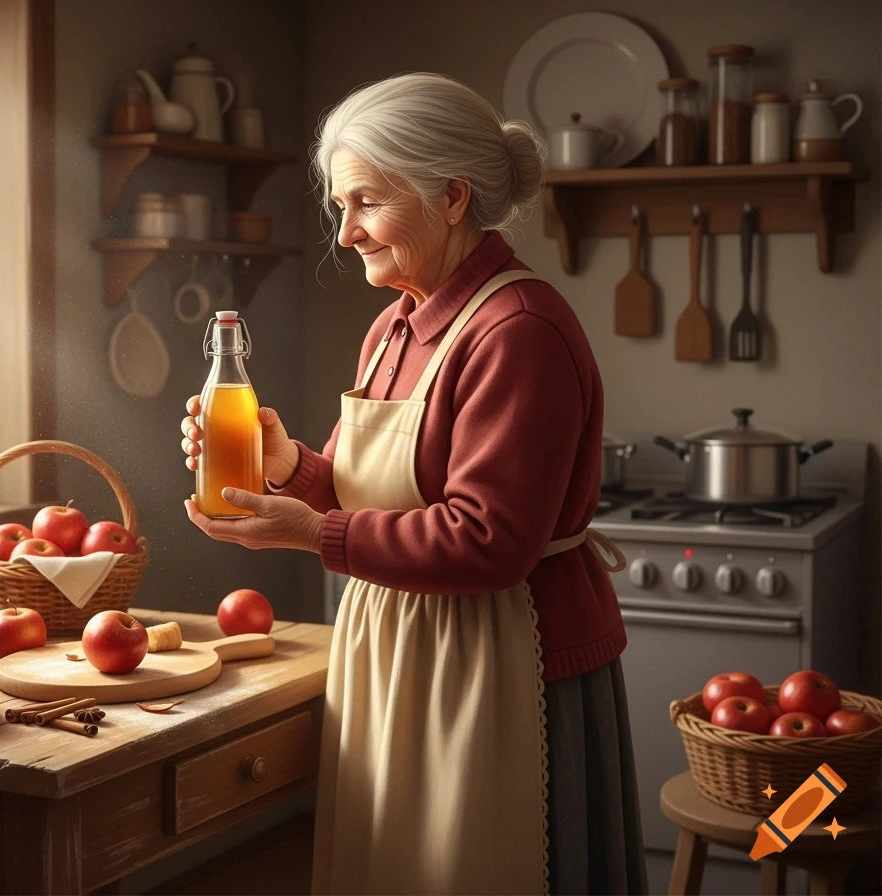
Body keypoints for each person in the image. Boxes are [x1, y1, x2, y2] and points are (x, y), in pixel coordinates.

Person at [180, 72, 648, 895]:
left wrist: (308, 533)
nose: (348, 231)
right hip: (404, 650)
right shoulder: (394, 323)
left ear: (452, 197)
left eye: (365, 202)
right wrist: (291, 466)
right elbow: (376, 496)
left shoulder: (519, 331)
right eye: (340, 207)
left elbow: (489, 541)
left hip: (509, 669)